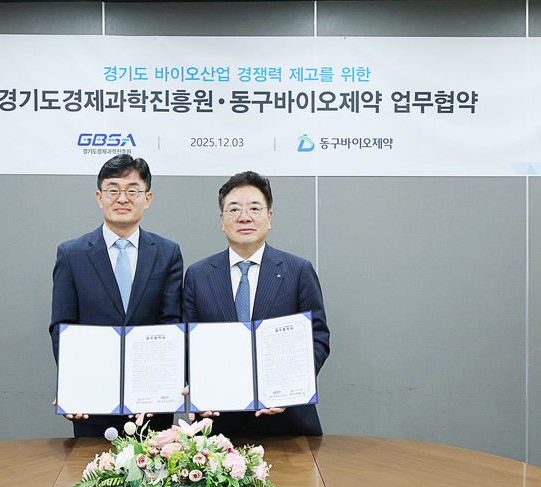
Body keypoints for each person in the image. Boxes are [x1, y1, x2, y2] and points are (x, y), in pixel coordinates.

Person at [182, 171, 330, 436]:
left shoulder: (298, 271)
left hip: (287, 423)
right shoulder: (198, 275)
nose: (244, 217)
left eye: (254, 208)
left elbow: (317, 338)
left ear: (269, 217)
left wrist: (292, 388)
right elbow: (187, 342)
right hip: (218, 426)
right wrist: (195, 384)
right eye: (234, 209)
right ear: (222, 220)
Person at [49, 154, 183, 437]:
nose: (122, 198)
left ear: (147, 199)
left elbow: (171, 325)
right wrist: (73, 385)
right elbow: (62, 328)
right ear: (100, 197)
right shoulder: (72, 254)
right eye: (113, 190)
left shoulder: (167, 253)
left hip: (151, 407)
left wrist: (161, 386)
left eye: (132, 190)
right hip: (92, 403)